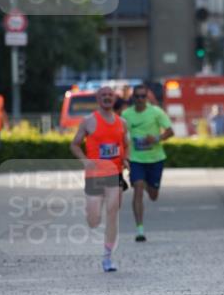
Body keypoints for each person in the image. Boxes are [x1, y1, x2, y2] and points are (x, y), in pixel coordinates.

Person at [70, 85, 129, 273]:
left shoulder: (122, 122)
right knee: (94, 219)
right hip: (94, 175)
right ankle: (93, 216)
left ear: (114, 99)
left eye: (110, 95)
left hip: (115, 175)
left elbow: (125, 145)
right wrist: (85, 161)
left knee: (112, 215)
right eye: (103, 95)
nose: (107, 98)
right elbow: (75, 144)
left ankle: (107, 257)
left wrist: (125, 158)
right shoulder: (88, 121)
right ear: (98, 99)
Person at [121, 85, 174, 242]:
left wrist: (156, 139)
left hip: (155, 158)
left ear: (147, 97)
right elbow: (122, 136)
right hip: (136, 159)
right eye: (137, 96)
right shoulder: (126, 114)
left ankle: (145, 183)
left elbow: (170, 131)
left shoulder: (156, 112)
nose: (140, 99)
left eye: (143, 96)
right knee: (137, 189)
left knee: (153, 196)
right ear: (133, 98)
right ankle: (140, 230)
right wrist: (124, 156)